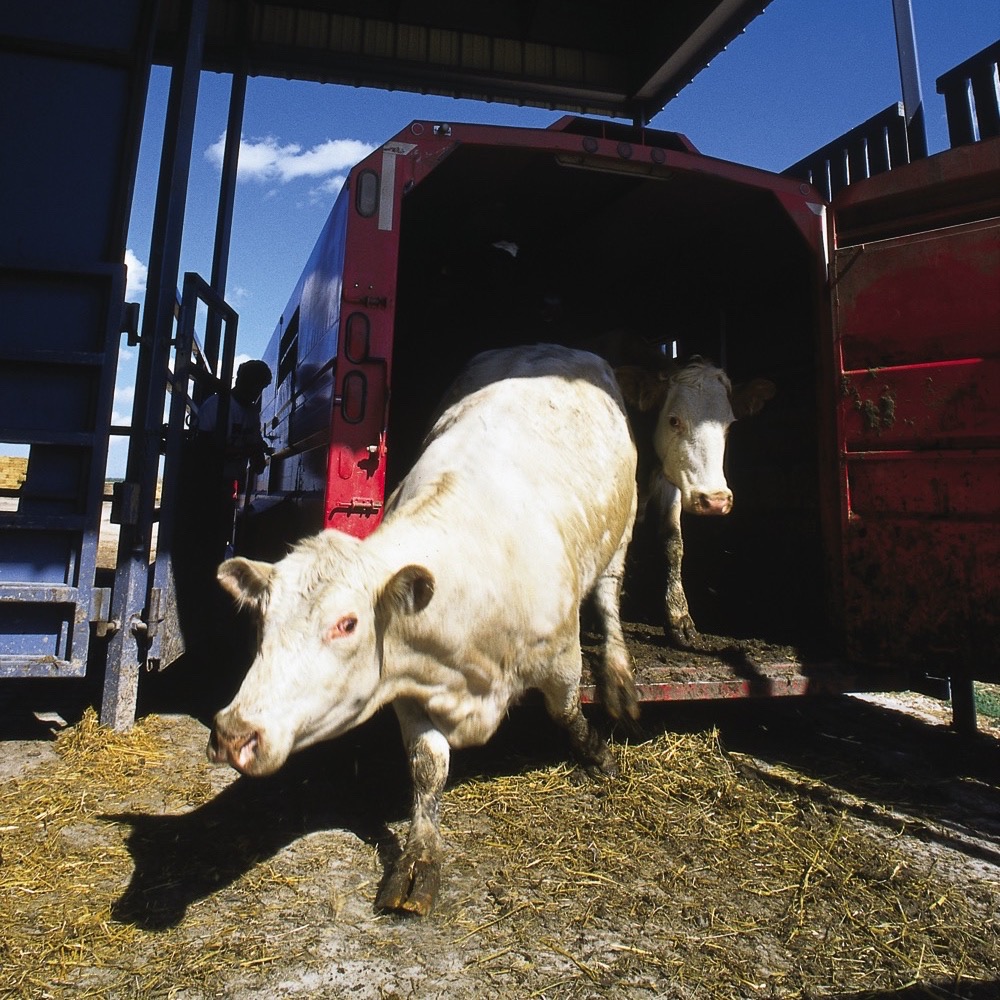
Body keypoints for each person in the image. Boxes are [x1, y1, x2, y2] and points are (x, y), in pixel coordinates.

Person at [196, 359, 273, 557]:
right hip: (207, 484)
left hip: (229, 484)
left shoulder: (251, 413)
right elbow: (203, 447)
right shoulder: (216, 406)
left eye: (261, 388)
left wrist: (258, 455)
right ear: (242, 382)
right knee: (204, 534)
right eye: (256, 386)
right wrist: (242, 451)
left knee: (221, 534)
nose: (257, 393)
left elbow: (254, 441)